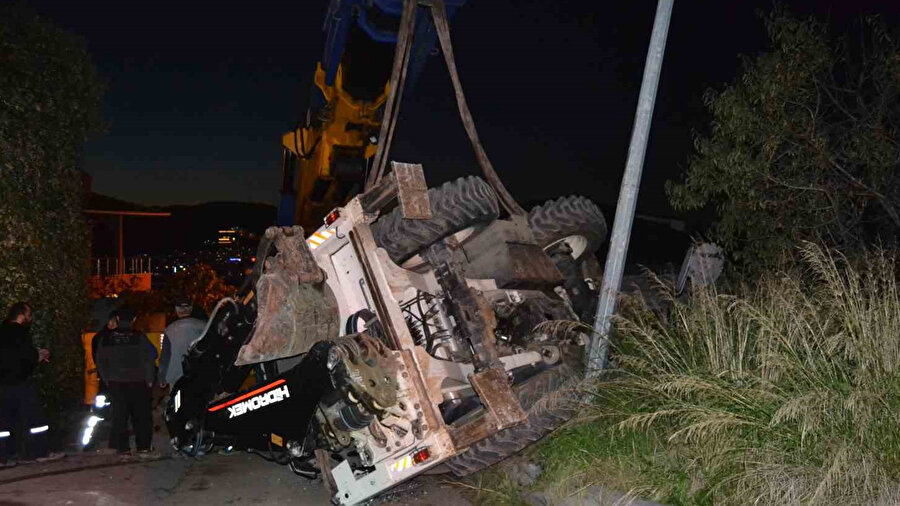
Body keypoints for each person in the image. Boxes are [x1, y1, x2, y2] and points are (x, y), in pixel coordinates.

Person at [0, 302, 65, 467]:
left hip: (2, 384)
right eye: (29, 315)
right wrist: (39, 355)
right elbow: (25, 357)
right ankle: (40, 452)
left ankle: (4, 457)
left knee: (4, 422)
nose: (31, 319)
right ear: (21, 316)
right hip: (21, 383)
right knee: (35, 419)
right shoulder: (21, 333)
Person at [94, 307, 159, 458]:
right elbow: (151, 356)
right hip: (138, 382)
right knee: (141, 416)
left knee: (120, 417)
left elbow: (100, 361)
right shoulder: (139, 337)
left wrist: (107, 379)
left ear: (117, 319)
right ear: (133, 320)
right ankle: (143, 448)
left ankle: (123, 450)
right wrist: (149, 379)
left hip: (116, 383)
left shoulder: (107, 338)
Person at [157, 298, 206, 388]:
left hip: (175, 377)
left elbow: (165, 356)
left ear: (176, 309)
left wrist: (162, 376)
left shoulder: (169, 330)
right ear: (191, 308)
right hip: (199, 375)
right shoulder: (204, 326)